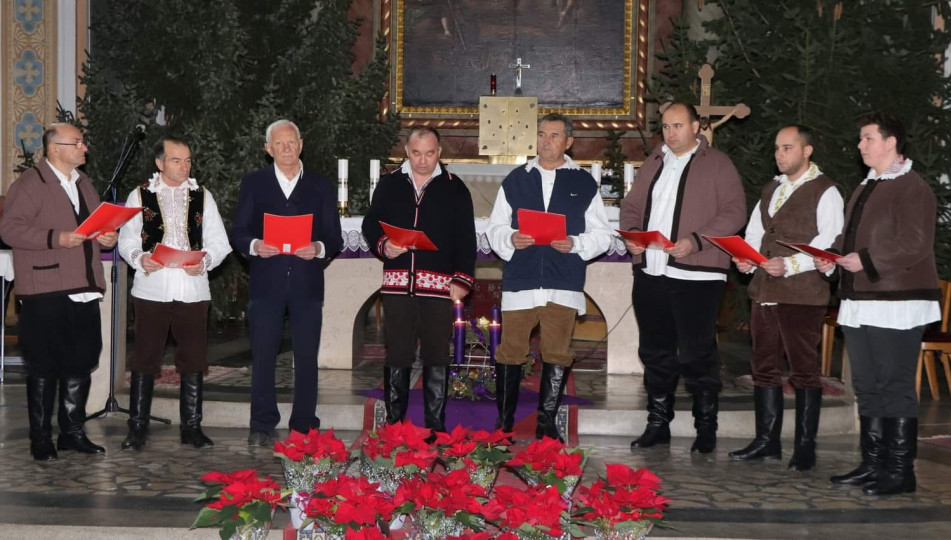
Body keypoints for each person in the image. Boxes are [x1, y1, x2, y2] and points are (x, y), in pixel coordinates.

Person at [817, 113, 940, 496]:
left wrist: (865, 259)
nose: (860, 145)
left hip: (897, 301)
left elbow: (916, 243)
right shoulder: (866, 186)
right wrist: (833, 256)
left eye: (867, 138)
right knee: (868, 386)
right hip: (861, 298)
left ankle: (901, 471)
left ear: (891, 143)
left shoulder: (912, 187)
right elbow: (849, 235)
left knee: (895, 384)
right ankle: (872, 465)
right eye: (861, 139)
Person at [619, 102, 746, 454]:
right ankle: (658, 423)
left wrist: (696, 241)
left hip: (698, 273)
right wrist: (631, 233)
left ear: (695, 128)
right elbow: (631, 206)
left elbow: (735, 212)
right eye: (665, 127)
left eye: (677, 126)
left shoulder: (717, 164)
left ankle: (706, 428)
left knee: (697, 353)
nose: (670, 133)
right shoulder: (654, 161)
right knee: (655, 351)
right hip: (652, 270)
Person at [486, 113, 612, 441]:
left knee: (556, 351)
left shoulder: (583, 183)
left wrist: (576, 243)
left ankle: (546, 423)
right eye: (542, 134)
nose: (546, 141)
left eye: (554, 136)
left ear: (569, 142)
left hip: (563, 280)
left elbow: (603, 234)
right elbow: (495, 226)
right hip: (521, 278)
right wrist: (510, 238)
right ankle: (504, 424)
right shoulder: (516, 179)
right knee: (510, 350)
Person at [727, 125, 843, 471]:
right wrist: (746, 258)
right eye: (777, 148)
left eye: (788, 148)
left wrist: (790, 264)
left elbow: (831, 242)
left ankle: (805, 446)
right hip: (765, 291)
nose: (780, 154)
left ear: (807, 151)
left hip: (803, 294)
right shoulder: (770, 189)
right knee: (764, 369)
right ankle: (767, 442)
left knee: (804, 371)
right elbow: (755, 234)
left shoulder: (826, 191)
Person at [0, 123, 118, 460]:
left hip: (83, 287)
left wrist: (106, 237)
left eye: (83, 141)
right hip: (46, 288)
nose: (85, 148)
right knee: (43, 364)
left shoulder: (84, 184)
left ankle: (72, 432)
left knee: (80, 361)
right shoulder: (30, 184)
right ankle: (40, 439)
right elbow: (10, 230)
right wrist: (57, 237)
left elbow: (96, 225)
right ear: (54, 149)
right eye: (77, 142)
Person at [231, 119, 343, 446]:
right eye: (279, 144)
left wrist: (319, 248)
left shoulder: (320, 185)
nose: (286, 149)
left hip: (307, 282)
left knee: (306, 356)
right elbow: (239, 231)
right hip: (267, 282)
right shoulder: (254, 183)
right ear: (268, 150)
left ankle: (304, 424)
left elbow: (333, 236)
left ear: (301, 144)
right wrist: (254, 246)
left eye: (291, 142)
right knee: (263, 354)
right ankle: (262, 423)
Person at [117, 136, 232, 450]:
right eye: (176, 160)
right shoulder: (139, 195)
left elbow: (219, 241)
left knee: (193, 359)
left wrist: (205, 260)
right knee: (145, 358)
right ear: (159, 163)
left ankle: (192, 428)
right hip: (152, 288)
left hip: (192, 289)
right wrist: (140, 258)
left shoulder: (201, 195)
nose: (184, 166)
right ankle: (137, 428)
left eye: (188, 160)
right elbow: (125, 239)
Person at [362, 126, 476, 434]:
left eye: (429, 153)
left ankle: (435, 427)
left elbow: (467, 239)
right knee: (397, 352)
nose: (422, 160)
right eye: (415, 153)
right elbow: (371, 223)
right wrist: (385, 245)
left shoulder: (455, 188)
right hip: (398, 284)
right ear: (406, 152)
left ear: (439, 152)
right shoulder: (389, 185)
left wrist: (463, 280)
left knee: (436, 354)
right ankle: (394, 426)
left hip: (438, 287)